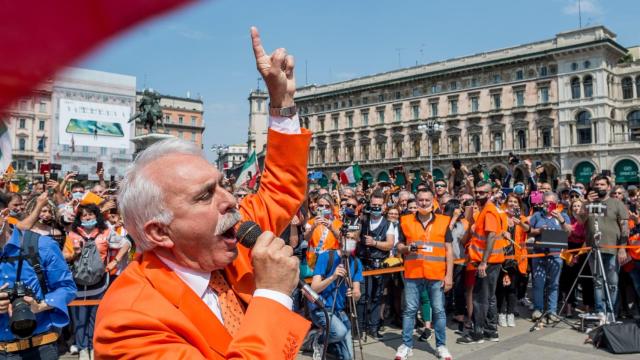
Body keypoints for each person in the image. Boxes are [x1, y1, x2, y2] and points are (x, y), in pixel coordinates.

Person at [94, 27, 312, 359]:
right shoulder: (128, 320)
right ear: (159, 231)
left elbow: (281, 188)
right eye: (204, 195)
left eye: (223, 184)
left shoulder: (227, 236)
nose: (230, 200)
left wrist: (281, 104)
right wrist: (273, 297)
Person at [0, 193, 77, 359]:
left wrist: (40, 305)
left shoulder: (43, 245)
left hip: (39, 348)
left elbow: (67, 288)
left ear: (5, 215)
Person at [395, 189, 453, 360]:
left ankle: (441, 346)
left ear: (433, 201)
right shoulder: (405, 220)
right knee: (410, 310)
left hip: (436, 274)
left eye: (427, 200)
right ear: (416, 201)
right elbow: (398, 245)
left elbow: (449, 250)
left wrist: (449, 275)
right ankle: (406, 345)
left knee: (439, 311)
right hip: (413, 273)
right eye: (420, 200)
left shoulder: (443, 221)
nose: (424, 203)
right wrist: (405, 249)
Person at [457, 181, 504, 344]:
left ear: (490, 194)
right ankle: (491, 331)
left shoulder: (489, 211)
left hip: (487, 262)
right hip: (490, 261)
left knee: (479, 298)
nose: (478, 195)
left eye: (483, 192)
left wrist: (484, 262)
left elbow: (491, 236)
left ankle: (477, 333)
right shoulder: (485, 210)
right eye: (477, 192)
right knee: (489, 297)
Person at [580, 175, 629, 322]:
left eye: (602, 184)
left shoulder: (617, 203)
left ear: (608, 187)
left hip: (612, 250)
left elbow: (625, 228)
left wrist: (622, 248)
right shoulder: (589, 203)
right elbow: (580, 219)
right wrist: (586, 202)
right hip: (594, 250)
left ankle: (611, 311)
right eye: (597, 184)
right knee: (598, 282)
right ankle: (600, 311)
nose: (599, 187)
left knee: (612, 283)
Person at [309, 231, 362, 360]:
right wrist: (333, 277)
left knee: (348, 357)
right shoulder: (326, 257)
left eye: (353, 238)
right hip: (321, 307)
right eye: (347, 237)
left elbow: (357, 292)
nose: (349, 240)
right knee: (340, 332)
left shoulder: (356, 263)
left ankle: (330, 342)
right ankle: (318, 340)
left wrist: (355, 294)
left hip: (338, 310)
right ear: (340, 239)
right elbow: (314, 288)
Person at [528, 192, 572, 322]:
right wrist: (538, 231)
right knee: (538, 283)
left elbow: (569, 232)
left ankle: (552, 311)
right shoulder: (537, 216)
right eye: (545, 202)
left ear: (556, 203)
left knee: (554, 284)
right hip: (539, 254)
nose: (548, 204)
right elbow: (528, 231)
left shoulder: (563, 215)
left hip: (556, 255)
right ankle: (538, 309)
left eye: (551, 202)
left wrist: (561, 220)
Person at [356, 190, 394, 339]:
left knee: (377, 297)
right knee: (362, 296)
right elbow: (356, 237)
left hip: (378, 264)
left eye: (379, 205)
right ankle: (359, 328)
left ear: (383, 206)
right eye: (373, 205)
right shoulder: (363, 221)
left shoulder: (388, 224)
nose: (376, 208)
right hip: (363, 263)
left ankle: (373, 328)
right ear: (369, 205)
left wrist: (375, 243)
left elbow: (390, 244)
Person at [496, 194, 530, 327]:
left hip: (517, 257)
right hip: (501, 256)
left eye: (515, 202)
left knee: (513, 288)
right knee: (501, 287)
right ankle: (500, 313)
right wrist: (502, 233)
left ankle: (510, 314)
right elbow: (493, 232)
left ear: (519, 205)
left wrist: (520, 222)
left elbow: (529, 230)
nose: (512, 204)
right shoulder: (500, 216)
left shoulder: (522, 218)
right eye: (510, 201)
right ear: (506, 203)